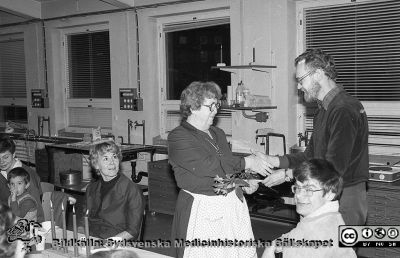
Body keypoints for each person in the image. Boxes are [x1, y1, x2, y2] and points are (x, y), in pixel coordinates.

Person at [261, 48, 369, 226]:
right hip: (326, 192)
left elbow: (332, 167)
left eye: (300, 79)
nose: (298, 86)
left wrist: (288, 175)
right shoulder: (324, 110)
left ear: (318, 74)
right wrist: (275, 161)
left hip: (345, 198)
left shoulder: (343, 109)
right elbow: (310, 157)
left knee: (337, 252)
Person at [168, 81, 270, 258]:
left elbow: (227, 167)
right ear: (193, 107)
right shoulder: (179, 137)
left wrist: (243, 180)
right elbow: (209, 166)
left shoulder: (218, 133)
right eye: (211, 106)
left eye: (217, 104)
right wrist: (248, 162)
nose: (216, 110)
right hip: (201, 210)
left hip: (230, 206)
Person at [262, 159, 356, 258]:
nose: (299, 195)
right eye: (298, 188)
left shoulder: (316, 238)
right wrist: (277, 243)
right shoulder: (325, 217)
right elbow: (299, 232)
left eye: (309, 189)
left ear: (329, 194)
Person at [86, 140, 144, 240]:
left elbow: (133, 231)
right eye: (106, 158)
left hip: (117, 242)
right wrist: (80, 236)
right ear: (96, 164)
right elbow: (85, 219)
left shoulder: (131, 190)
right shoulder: (91, 188)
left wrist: (109, 243)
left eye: (114, 156)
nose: (112, 162)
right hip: (92, 238)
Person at [0, 137, 44, 222]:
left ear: (13, 154)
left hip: (27, 224)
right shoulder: (2, 175)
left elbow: (37, 211)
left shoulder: (26, 175)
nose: (1, 162)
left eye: (5, 157)